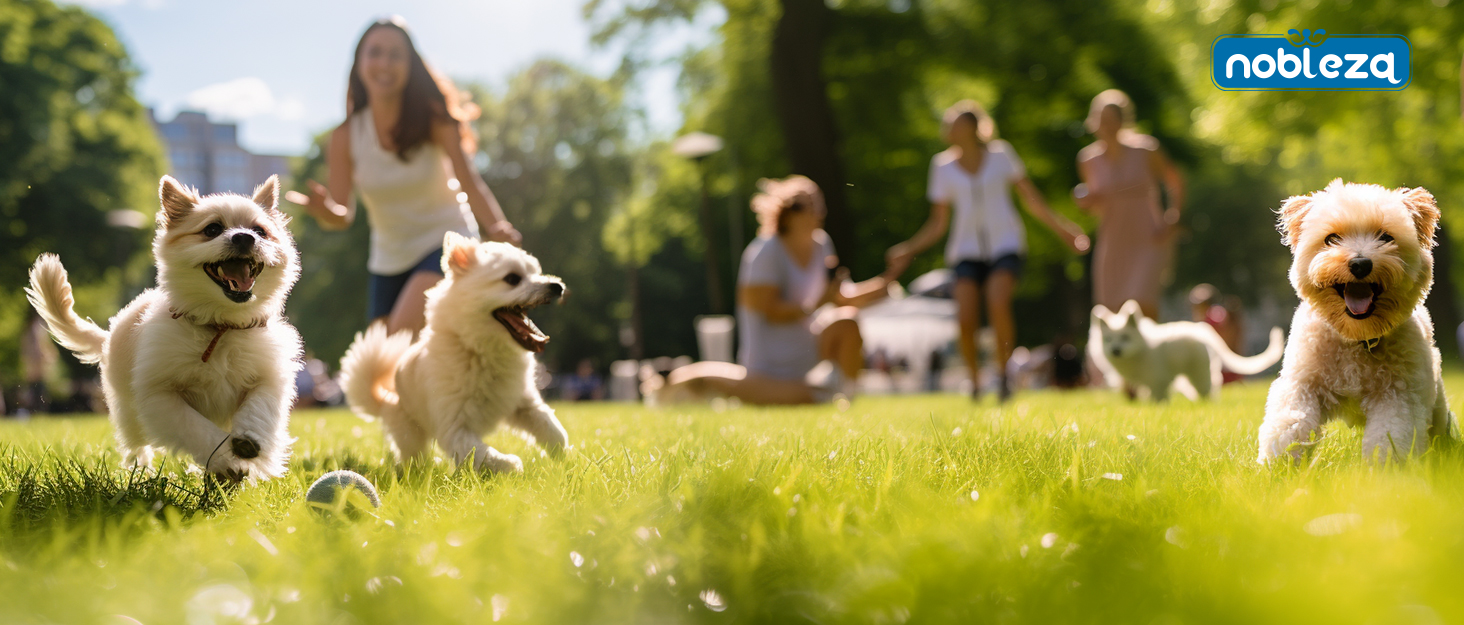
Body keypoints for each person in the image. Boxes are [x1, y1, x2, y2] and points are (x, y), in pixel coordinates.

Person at [286, 16, 521, 335]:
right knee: (380, 367)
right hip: (388, 259)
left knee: (400, 339)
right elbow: (342, 216)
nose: (385, 62)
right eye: (375, 52)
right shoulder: (345, 136)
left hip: (447, 240)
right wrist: (325, 210)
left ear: (411, 65)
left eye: (396, 54)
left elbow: (470, 181)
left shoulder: (434, 119)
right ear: (359, 62)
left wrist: (497, 227)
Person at [887, 100, 1088, 401]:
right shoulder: (942, 166)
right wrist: (908, 248)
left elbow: (1031, 200)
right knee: (966, 318)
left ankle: (1004, 374)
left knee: (997, 300)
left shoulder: (1001, 155)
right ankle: (975, 382)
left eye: (955, 122)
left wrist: (1065, 231)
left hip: (1004, 244)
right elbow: (938, 223)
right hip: (965, 250)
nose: (949, 128)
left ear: (971, 127)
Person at [648, 176, 901, 405]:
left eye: (816, 204)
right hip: (768, 363)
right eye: (803, 205)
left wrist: (887, 280)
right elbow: (770, 311)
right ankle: (673, 385)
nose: (814, 211)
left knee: (848, 321)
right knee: (810, 397)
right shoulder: (765, 252)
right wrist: (816, 305)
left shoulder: (823, 244)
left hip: (806, 349)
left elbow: (841, 297)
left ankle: (847, 399)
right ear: (786, 212)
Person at [1075, 89, 1185, 320]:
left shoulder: (1146, 149)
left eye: (1112, 119)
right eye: (1101, 120)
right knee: (1112, 312)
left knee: (1142, 304)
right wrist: (1086, 202)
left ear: (1123, 120)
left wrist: (1172, 217)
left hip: (1148, 237)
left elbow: (1174, 180)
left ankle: (1153, 354)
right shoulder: (1087, 159)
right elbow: (1095, 207)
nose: (1106, 125)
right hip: (1112, 241)